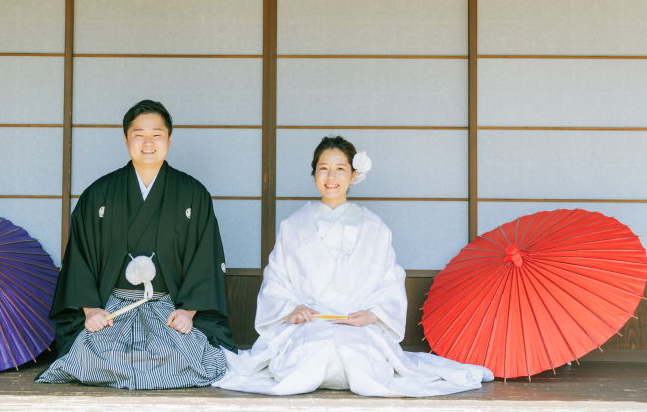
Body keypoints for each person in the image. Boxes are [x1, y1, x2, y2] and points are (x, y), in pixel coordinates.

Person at [213, 136, 493, 397]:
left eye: (340, 169)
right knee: (312, 355)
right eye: (323, 168)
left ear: (353, 175)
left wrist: (373, 315)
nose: (331, 177)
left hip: (357, 326)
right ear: (313, 174)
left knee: (353, 357)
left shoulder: (375, 228)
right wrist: (291, 310)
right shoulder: (293, 227)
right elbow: (276, 280)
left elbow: (390, 282)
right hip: (308, 325)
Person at [36, 100, 236, 389]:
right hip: (112, 310)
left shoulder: (193, 193)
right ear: (126, 138)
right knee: (97, 354)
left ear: (169, 138)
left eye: (156, 134)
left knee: (184, 355)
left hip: (168, 308)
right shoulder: (99, 193)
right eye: (138, 134)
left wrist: (188, 311)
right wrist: (91, 311)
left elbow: (206, 256)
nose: (148, 142)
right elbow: (79, 256)